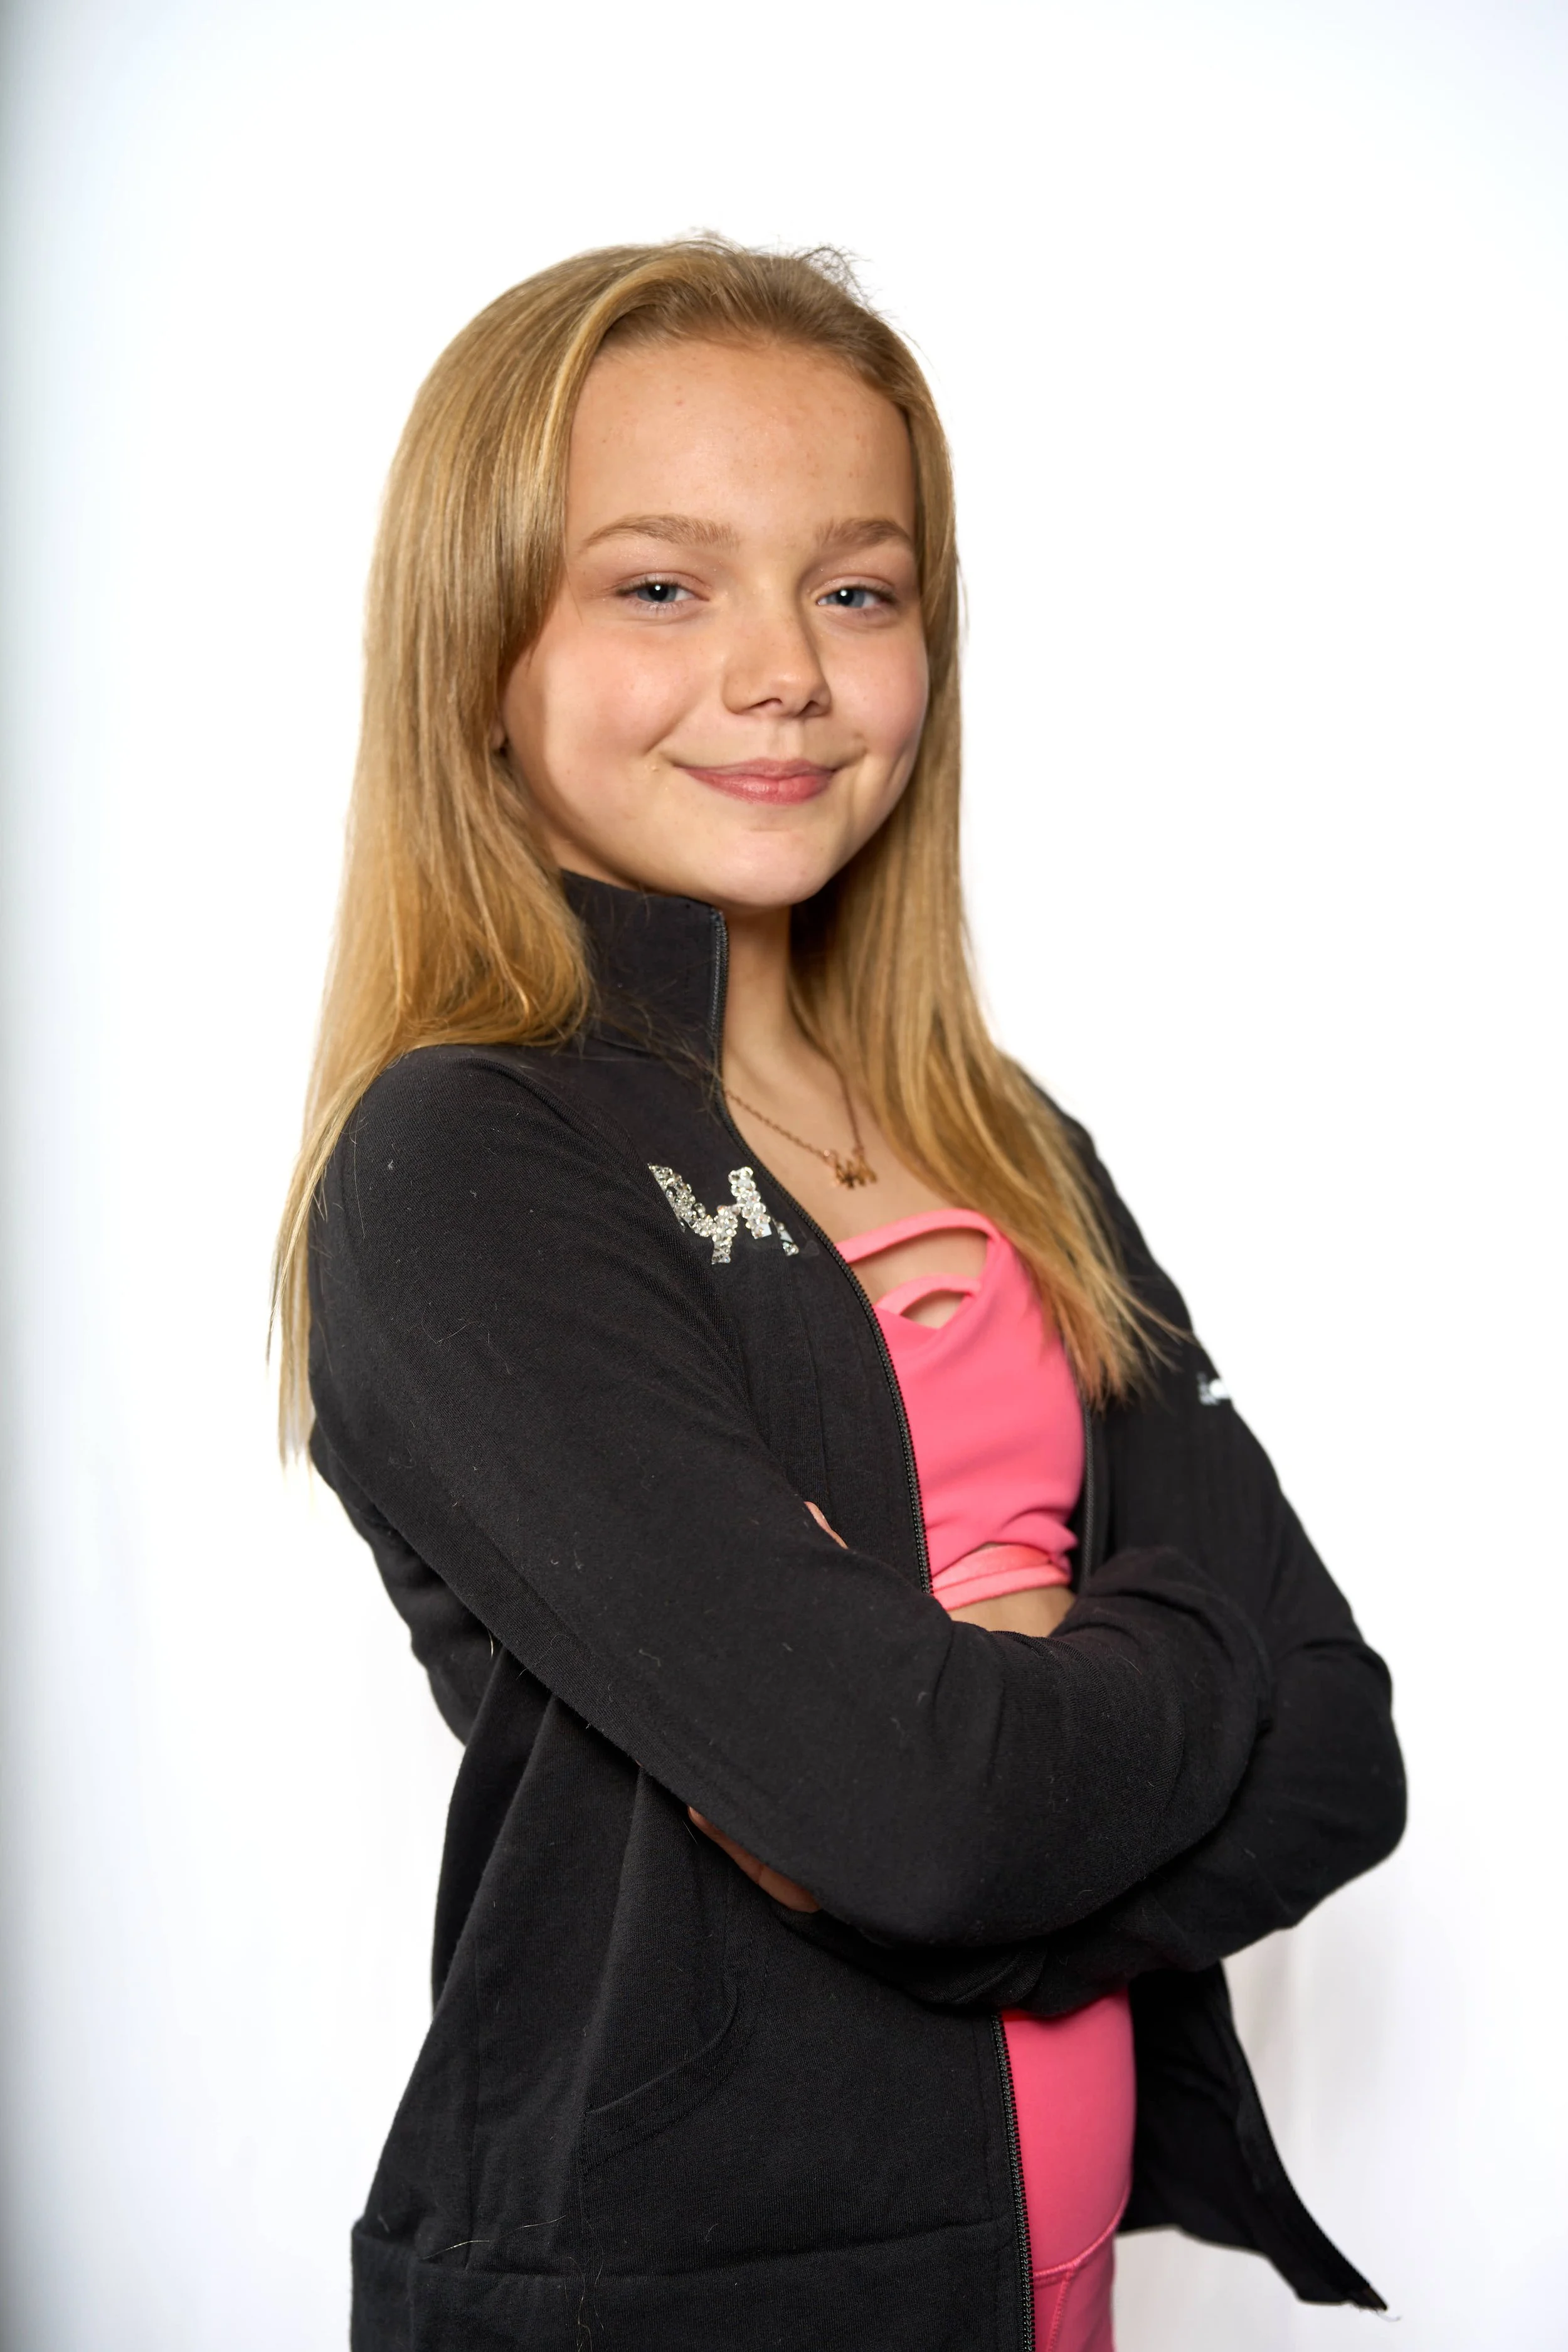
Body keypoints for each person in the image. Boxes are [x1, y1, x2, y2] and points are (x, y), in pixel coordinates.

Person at [274, 238, 1406, 2352]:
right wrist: (1154, 1662)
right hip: (680, 2299)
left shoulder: (1001, 1140)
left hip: (1038, 2277)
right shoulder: (469, 1162)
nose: (784, 666)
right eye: (660, 584)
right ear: (476, 651)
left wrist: (999, 1759)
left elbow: (1340, 1745)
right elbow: (919, 1802)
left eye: (857, 587)